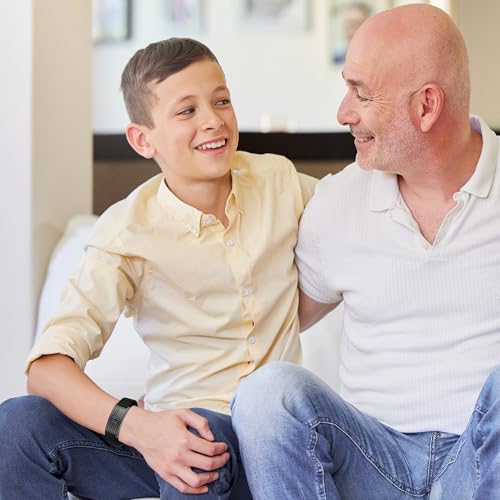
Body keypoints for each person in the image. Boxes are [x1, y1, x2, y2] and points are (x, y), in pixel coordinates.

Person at [0, 38, 316, 499]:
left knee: (196, 439)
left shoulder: (280, 181)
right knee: (17, 423)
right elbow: (47, 370)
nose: (213, 120)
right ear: (142, 139)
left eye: (221, 100)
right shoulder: (127, 230)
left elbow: (356, 221)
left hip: (264, 439)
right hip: (167, 441)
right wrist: (140, 427)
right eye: (187, 110)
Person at [231, 4, 500, 499]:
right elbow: (264, 326)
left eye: (361, 93)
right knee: (267, 395)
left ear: (426, 106)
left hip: (483, 464)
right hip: (374, 461)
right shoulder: (338, 202)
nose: (343, 113)